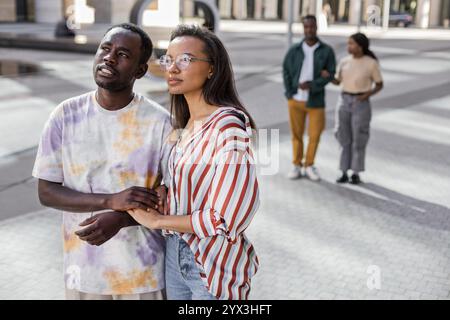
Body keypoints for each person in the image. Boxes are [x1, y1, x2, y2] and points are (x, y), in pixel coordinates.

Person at [32, 23, 173, 300]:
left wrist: (121, 219)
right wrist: (109, 201)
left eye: (123, 54)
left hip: (142, 274)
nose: (109, 57)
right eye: (105, 49)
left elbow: (172, 196)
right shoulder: (65, 115)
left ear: (140, 70)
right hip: (83, 271)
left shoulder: (160, 123)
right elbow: (46, 192)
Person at [127, 24, 260, 300]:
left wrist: (158, 220)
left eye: (185, 59)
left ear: (212, 69)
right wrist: (167, 192)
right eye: (168, 59)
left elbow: (225, 217)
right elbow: (189, 183)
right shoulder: (184, 125)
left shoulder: (228, 126)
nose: (172, 68)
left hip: (211, 264)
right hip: (175, 251)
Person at [282, 15, 336, 181]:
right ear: (303, 28)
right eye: (306, 27)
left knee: (315, 135)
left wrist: (313, 84)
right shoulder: (294, 50)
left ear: (316, 28)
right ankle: (297, 165)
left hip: (316, 101)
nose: (309, 30)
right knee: (296, 135)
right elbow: (286, 71)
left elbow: (331, 73)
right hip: (295, 100)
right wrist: (290, 90)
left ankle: (309, 165)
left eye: (312, 27)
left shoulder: (326, 51)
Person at [325, 33, 383, 184]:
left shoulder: (371, 63)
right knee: (343, 136)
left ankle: (356, 172)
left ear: (360, 46)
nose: (348, 46)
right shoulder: (344, 62)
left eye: (351, 44)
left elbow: (379, 84)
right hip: (344, 100)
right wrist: (328, 76)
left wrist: (367, 95)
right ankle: (343, 171)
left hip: (360, 102)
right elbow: (338, 81)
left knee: (359, 137)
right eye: (348, 43)